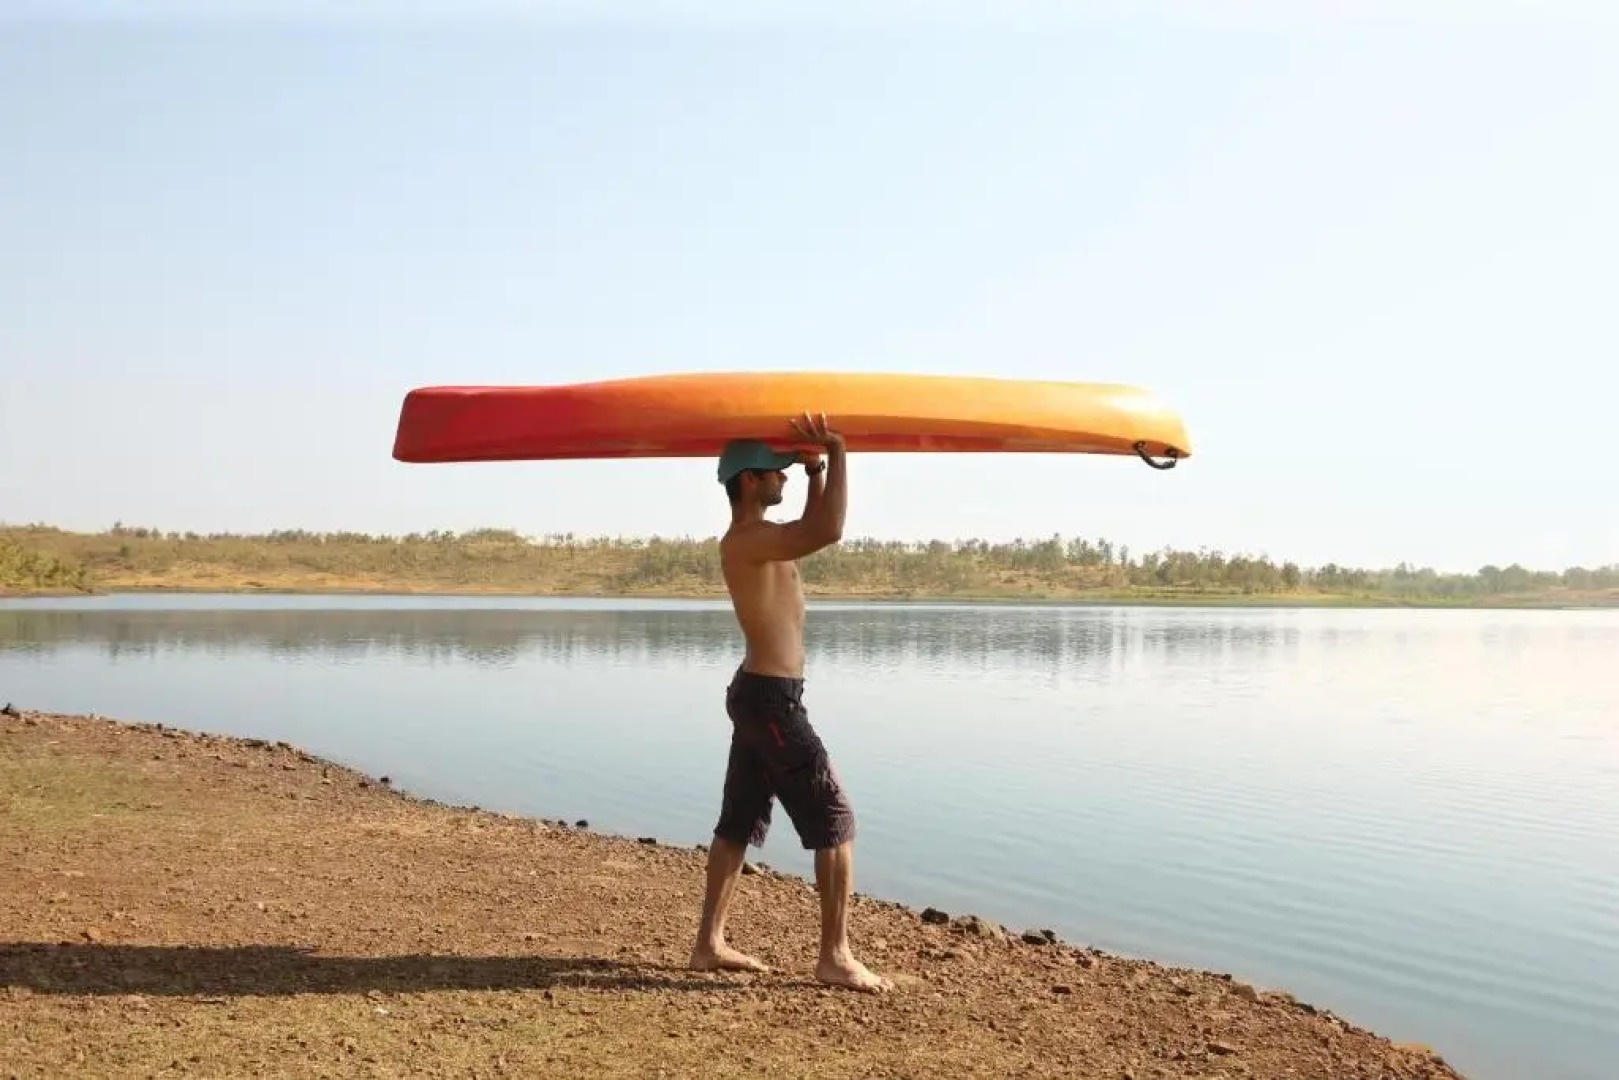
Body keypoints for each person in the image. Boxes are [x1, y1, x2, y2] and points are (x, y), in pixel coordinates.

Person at [688, 411, 892, 993]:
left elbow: (809, 521)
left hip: (760, 695)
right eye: (776, 472)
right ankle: (835, 956)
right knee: (834, 820)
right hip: (772, 703)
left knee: (738, 821)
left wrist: (813, 470)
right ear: (750, 480)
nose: (783, 478)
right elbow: (827, 530)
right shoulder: (751, 540)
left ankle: (709, 944)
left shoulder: (759, 541)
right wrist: (838, 450)